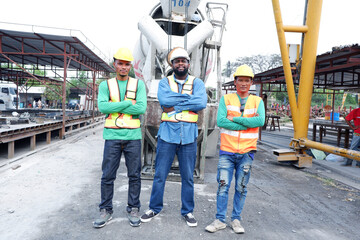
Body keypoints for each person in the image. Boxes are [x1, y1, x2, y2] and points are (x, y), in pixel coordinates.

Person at [140, 47, 207, 227]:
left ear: (188, 64)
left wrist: (175, 104)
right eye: (177, 61)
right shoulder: (164, 83)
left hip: (189, 137)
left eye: (183, 61)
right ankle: (154, 207)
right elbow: (165, 101)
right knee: (160, 174)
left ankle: (188, 211)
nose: (180, 64)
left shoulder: (197, 83)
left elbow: (201, 102)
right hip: (167, 135)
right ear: (172, 64)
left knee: (188, 177)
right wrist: (187, 101)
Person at [205, 64, 265, 234]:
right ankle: (220, 220)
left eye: (247, 80)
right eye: (241, 80)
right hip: (227, 151)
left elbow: (260, 122)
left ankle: (236, 220)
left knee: (241, 187)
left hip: (247, 152)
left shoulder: (257, 101)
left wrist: (237, 118)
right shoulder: (226, 99)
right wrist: (247, 122)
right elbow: (221, 121)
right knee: (223, 185)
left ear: (251, 82)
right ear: (235, 81)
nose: (244, 83)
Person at [93, 48, 147, 228]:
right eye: (120, 63)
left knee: (134, 175)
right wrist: (126, 104)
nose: (123, 67)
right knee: (107, 175)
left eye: (127, 64)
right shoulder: (105, 85)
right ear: (114, 64)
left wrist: (114, 106)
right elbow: (102, 107)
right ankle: (106, 210)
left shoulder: (138, 84)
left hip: (133, 136)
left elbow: (140, 109)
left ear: (130, 65)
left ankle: (133, 208)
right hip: (112, 136)